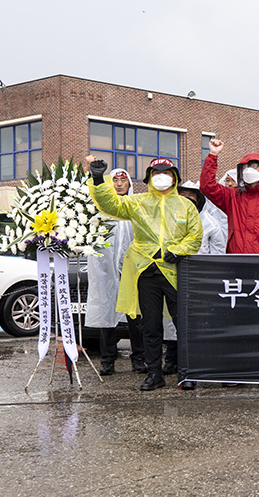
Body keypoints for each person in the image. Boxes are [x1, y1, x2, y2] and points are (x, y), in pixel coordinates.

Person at [86, 156, 202, 391]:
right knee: (150, 326)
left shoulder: (185, 205)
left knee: (183, 324)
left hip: (175, 272)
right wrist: (98, 180)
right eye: (156, 173)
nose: (161, 177)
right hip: (146, 272)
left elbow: (195, 235)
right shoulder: (138, 202)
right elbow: (110, 205)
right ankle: (154, 373)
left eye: (166, 173)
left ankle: (187, 372)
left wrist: (178, 250)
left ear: (174, 178)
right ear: (149, 178)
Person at [87, 168, 144, 376]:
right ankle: (107, 360)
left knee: (135, 314)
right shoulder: (101, 210)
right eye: (115, 180)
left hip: (132, 268)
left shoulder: (136, 207)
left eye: (123, 180)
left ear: (129, 184)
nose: (119, 184)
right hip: (106, 269)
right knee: (107, 312)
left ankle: (139, 358)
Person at [200, 139, 259, 254]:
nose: (249, 169)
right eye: (245, 166)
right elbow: (207, 186)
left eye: (254, 166)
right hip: (237, 258)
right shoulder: (232, 196)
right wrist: (213, 155)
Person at [177, 180, 228, 254]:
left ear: (198, 200)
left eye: (191, 195)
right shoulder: (169, 218)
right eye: (183, 194)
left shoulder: (211, 223)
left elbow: (217, 251)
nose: (186, 197)